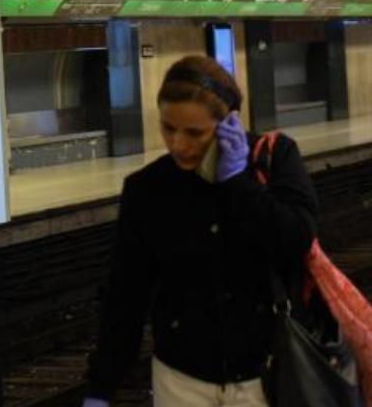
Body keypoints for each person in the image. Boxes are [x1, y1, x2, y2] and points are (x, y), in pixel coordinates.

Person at [83, 55, 317, 407]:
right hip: (181, 380)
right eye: (168, 128)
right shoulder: (148, 189)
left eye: (194, 132)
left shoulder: (273, 158)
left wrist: (237, 183)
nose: (178, 144)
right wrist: (101, 386)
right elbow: (127, 293)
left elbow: (295, 238)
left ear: (229, 124)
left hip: (265, 374)